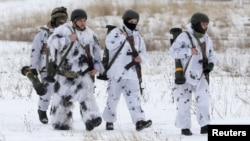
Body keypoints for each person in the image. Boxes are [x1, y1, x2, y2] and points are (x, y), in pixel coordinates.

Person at [47, 8, 103, 131]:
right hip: (64, 75)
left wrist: (97, 67)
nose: (83, 23)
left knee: (87, 97)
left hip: (83, 73)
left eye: (84, 20)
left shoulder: (91, 34)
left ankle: (92, 119)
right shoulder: (63, 30)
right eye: (80, 20)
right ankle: (60, 123)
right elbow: (52, 43)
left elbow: (97, 53)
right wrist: (67, 40)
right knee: (62, 100)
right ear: (73, 21)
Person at [102, 9, 152, 131]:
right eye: (131, 21)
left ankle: (139, 121)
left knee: (134, 98)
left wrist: (141, 59)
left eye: (135, 21)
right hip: (117, 73)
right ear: (125, 20)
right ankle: (109, 120)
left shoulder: (138, 36)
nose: (133, 23)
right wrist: (121, 38)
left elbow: (144, 53)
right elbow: (109, 45)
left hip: (132, 73)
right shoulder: (116, 32)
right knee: (113, 98)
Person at [169, 12, 215, 136]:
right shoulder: (184, 36)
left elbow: (211, 54)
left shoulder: (206, 38)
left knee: (204, 101)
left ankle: (205, 125)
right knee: (184, 101)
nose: (205, 26)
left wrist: (210, 64)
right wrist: (189, 51)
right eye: (203, 24)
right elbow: (173, 52)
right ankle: (184, 127)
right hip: (185, 74)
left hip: (201, 75)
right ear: (196, 23)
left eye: (207, 24)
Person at [29, 6, 68, 124]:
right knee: (47, 91)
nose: (62, 21)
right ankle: (42, 110)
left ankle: (55, 112)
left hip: (61, 68)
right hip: (45, 67)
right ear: (54, 19)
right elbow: (35, 50)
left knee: (61, 92)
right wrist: (32, 67)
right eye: (60, 19)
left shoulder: (66, 32)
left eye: (64, 19)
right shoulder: (43, 32)